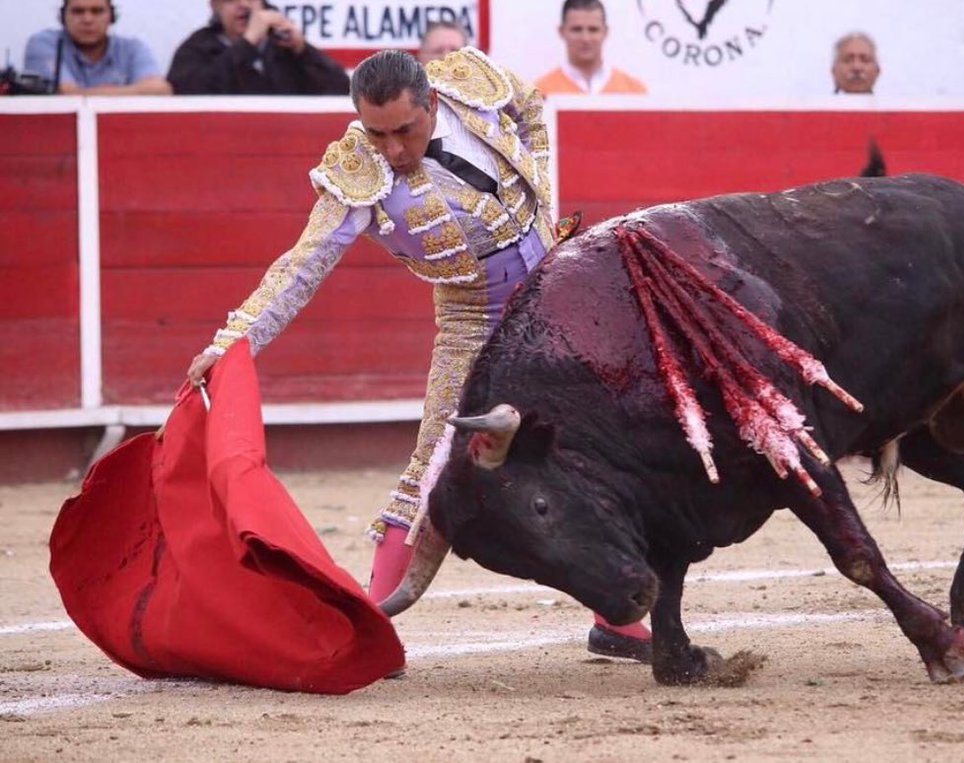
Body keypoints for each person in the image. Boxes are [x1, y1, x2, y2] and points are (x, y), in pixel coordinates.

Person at [184, 47, 652, 662]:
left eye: (405, 129)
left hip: (553, 297)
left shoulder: (467, 80)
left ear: (431, 101)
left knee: (595, 450)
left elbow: (531, 106)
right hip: (471, 318)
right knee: (432, 461)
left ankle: (616, 620)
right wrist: (231, 341)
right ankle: (365, 630)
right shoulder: (356, 169)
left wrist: (541, 183)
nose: (394, 150)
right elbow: (301, 267)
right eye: (377, 133)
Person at [167, 0, 349, 95]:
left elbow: (342, 88)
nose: (244, 5)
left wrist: (303, 51)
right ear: (215, 6)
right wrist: (247, 43)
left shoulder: (285, 47)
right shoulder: (196, 47)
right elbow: (187, 92)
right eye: (231, 0)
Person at [22, 0, 171, 95]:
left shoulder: (132, 48)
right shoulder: (44, 44)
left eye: (97, 11)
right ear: (63, 17)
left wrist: (83, 93)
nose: (87, 19)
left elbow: (160, 90)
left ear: (111, 17)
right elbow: (66, 94)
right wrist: (132, 92)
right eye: (78, 11)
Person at [535, 0, 646, 95]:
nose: (585, 38)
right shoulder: (541, 94)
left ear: (605, 32)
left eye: (593, 29)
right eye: (577, 29)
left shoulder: (634, 91)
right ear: (562, 31)